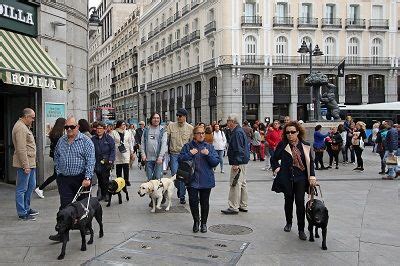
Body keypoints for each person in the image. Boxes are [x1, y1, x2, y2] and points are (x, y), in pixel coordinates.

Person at [50, 116, 95, 241]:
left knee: (81, 207)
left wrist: (87, 177)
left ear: (78, 127)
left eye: (72, 127)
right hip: (64, 179)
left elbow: (91, 161)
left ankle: (85, 227)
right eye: (66, 127)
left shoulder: (86, 141)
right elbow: (57, 156)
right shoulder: (61, 140)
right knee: (65, 207)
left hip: (81, 180)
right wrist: (58, 171)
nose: (69, 129)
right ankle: (62, 234)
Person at [271, 121, 317, 241]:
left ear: (298, 132)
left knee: (300, 204)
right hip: (287, 178)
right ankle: (289, 222)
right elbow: (274, 159)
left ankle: (301, 229)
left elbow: (310, 162)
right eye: (287, 132)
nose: (290, 135)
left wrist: (312, 176)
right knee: (288, 201)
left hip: (301, 178)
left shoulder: (305, 145)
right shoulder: (283, 145)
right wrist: (276, 168)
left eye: (292, 132)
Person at [179, 125, 220, 233]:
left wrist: (208, 155)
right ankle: (196, 221)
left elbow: (216, 162)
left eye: (203, 133)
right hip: (191, 180)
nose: (201, 135)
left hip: (206, 179)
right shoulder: (188, 146)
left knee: (204, 202)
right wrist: (189, 154)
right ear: (194, 135)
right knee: (193, 201)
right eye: (199, 133)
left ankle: (204, 223)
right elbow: (180, 159)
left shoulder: (209, 147)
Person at [12, 108, 39, 221]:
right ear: (26, 117)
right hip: (26, 163)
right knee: (21, 188)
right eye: (32, 117)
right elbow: (21, 149)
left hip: (31, 163)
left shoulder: (24, 126)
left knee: (31, 186)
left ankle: (27, 208)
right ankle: (22, 213)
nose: (33, 120)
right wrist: (25, 165)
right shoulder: (20, 128)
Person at [221, 114, 250, 215]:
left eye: (228, 121)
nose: (227, 123)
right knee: (242, 184)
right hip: (243, 161)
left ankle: (233, 206)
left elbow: (239, 149)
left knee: (235, 183)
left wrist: (236, 163)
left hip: (239, 161)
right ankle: (243, 205)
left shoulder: (237, 132)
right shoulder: (239, 131)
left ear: (232, 122)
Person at [167, 108, 194, 204]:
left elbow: (192, 143)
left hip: (185, 156)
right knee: (175, 175)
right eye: (177, 115)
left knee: (182, 176)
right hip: (174, 154)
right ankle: (180, 189)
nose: (178, 117)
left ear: (185, 117)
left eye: (180, 116)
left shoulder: (190, 128)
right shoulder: (171, 126)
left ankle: (182, 196)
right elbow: (166, 139)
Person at [35, 117, 66, 199]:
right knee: (56, 174)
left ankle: (41, 188)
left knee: (58, 174)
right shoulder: (59, 135)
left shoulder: (54, 132)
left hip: (55, 156)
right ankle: (40, 188)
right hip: (58, 157)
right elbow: (59, 147)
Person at [92, 122, 115, 201]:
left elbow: (113, 149)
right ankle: (101, 193)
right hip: (97, 163)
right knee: (100, 179)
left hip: (106, 162)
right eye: (97, 128)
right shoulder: (93, 139)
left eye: (100, 129)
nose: (98, 130)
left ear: (104, 129)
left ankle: (107, 194)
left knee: (105, 179)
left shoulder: (109, 138)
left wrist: (111, 159)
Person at [141, 113, 168, 181]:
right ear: (151, 119)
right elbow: (143, 143)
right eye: (154, 118)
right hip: (148, 158)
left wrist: (160, 157)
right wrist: (143, 154)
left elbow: (164, 144)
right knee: (150, 179)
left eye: (158, 118)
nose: (156, 120)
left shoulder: (163, 130)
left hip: (158, 159)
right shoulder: (146, 130)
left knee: (158, 179)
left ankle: (158, 192)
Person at [110, 120, 135, 186]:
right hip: (117, 151)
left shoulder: (128, 132)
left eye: (124, 125)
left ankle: (126, 180)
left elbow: (130, 142)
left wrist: (131, 151)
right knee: (119, 166)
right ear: (118, 125)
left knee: (126, 165)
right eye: (122, 125)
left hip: (126, 150)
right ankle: (119, 181)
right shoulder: (113, 132)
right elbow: (111, 142)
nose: (123, 126)